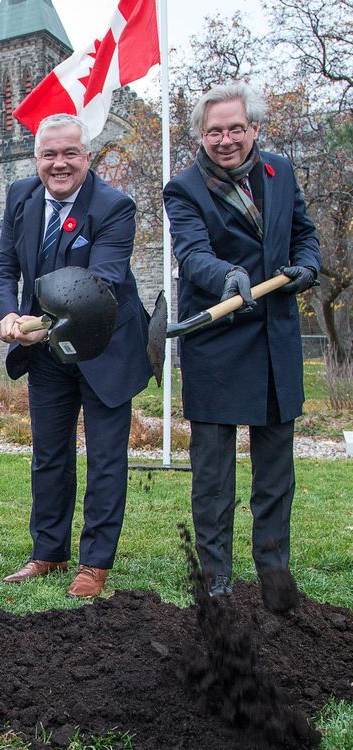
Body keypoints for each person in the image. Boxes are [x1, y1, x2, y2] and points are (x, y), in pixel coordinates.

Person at [163, 82, 320, 597]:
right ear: (201, 136)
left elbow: (302, 231)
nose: (225, 139)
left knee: (275, 472)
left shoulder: (280, 170)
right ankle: (216, 582)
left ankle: (274, 575)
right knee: (213, 477)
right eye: (214, 131)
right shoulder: (184, 187)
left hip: (275, 338)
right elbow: (192, 252)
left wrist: (309, 265)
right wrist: (227, 274)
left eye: (235, 128)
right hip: (218, 338)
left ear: (253, 128)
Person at [0, 113, 151, 599]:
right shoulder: (20, 197)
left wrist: (36, 326)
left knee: (104, 458)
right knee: (49, 455)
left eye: (69, 154)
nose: (59, 164)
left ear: (88, 157)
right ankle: (48, 553)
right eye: (49, 154)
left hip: (105, 346)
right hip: (46, 354)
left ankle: (94, 563)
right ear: (37, 158)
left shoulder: (115, 206)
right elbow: (2, 268)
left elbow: (100, 286)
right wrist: (8, 316)